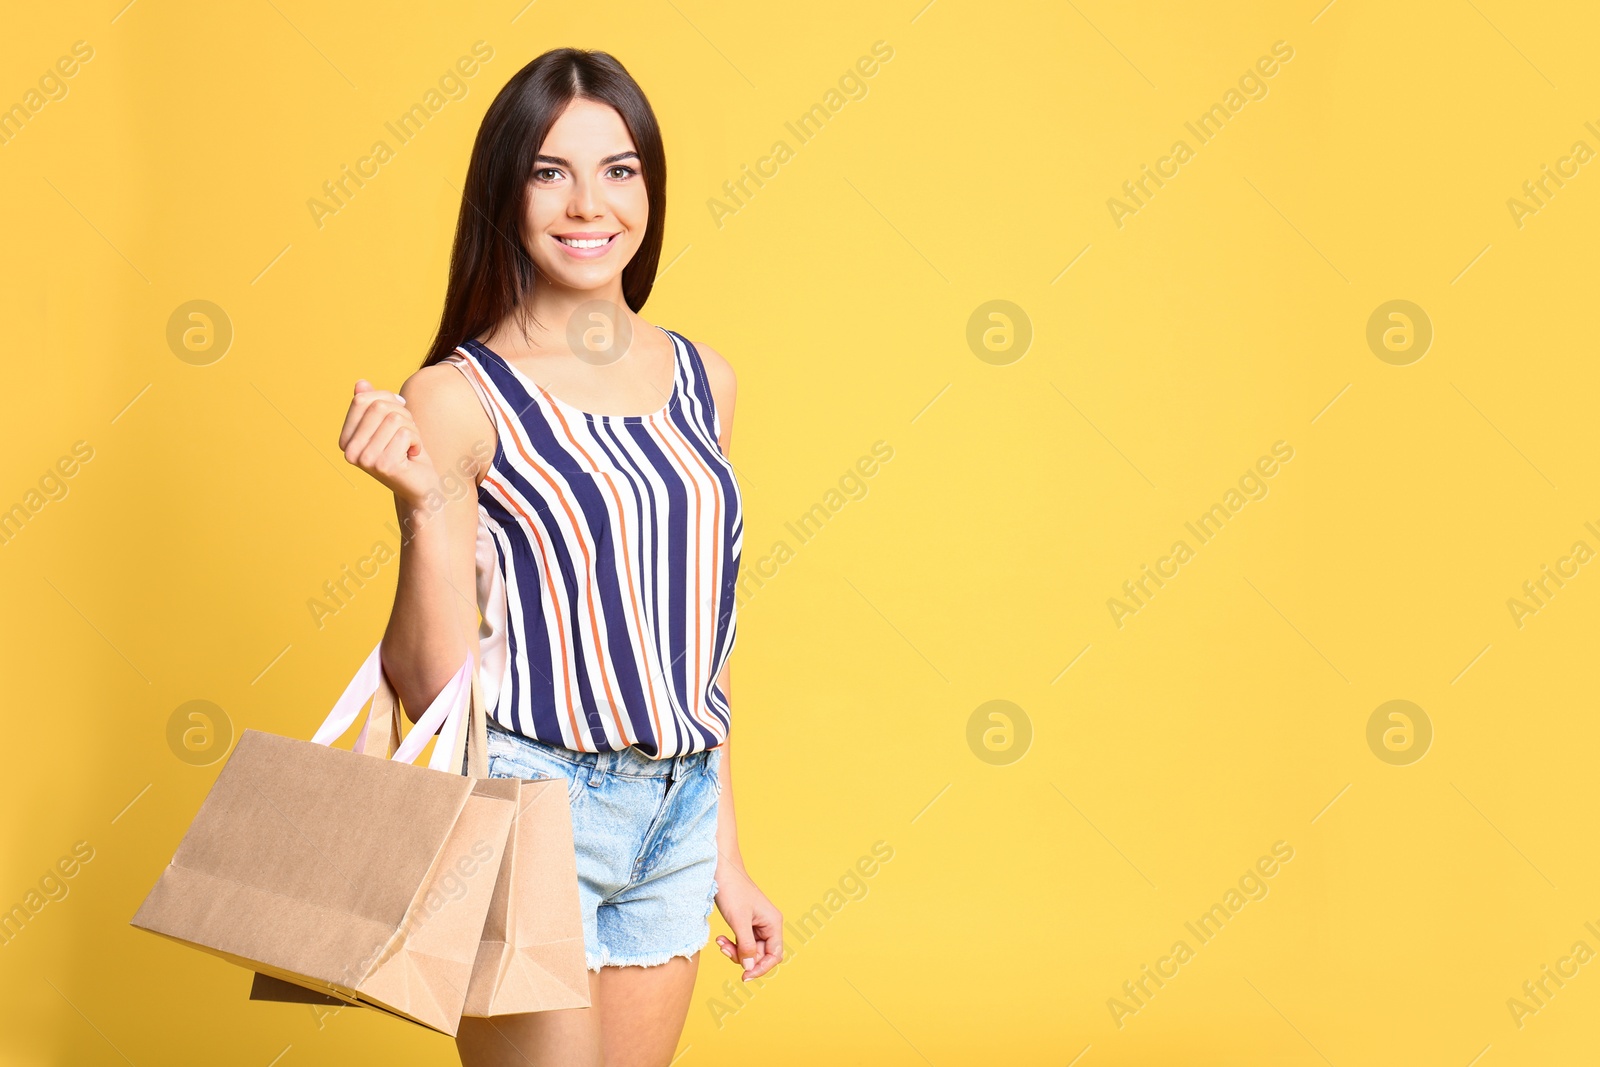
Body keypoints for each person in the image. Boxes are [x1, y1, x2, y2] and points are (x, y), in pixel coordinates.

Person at [335, 47, 781, 1067]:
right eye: (550, 171)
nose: (589, 203)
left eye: (618, 169)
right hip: (529, 804)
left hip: (676, 813)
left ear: (650, 189)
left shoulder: (701, 380)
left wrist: (728, 861)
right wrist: (417, 512)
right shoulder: (457, 396)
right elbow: (428, 684)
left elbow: (686, 650)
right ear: (508, 191)